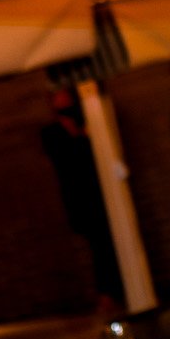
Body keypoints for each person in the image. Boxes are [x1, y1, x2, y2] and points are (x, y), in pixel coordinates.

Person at [40, 88, 125, 310]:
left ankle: (112, 291)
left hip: (99, 193)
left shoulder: (87, 125)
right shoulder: (53, 133)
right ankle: (107, 293)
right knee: (99, 245)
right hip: (80, 198)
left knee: (108, 244)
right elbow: (65, 160)